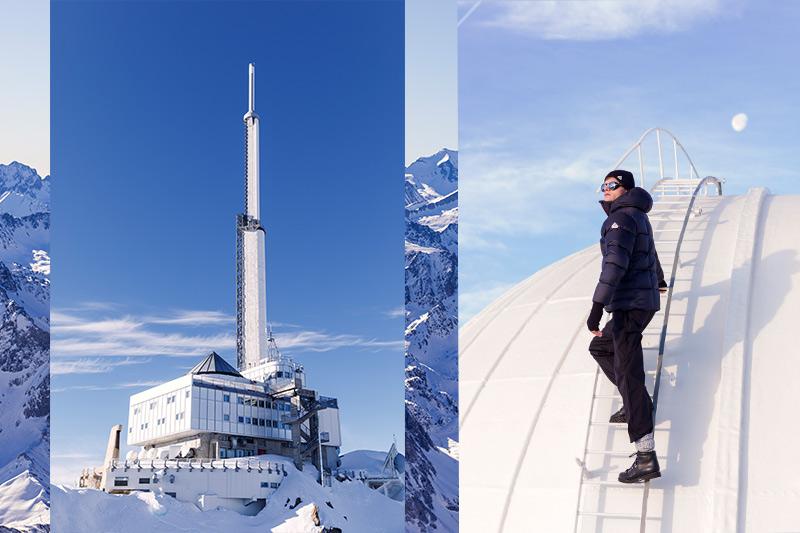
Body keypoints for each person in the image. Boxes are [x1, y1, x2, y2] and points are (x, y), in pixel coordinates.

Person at [586, 169, 662, 483]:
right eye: (603, 184)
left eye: (611, 185)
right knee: (602, 346)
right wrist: (657, 280)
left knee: (629, 374)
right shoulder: (637, 217)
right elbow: (649, 253)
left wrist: (596, 307)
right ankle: (636, 402)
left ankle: (645, 456)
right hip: (638, 302)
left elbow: (614, 264)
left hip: (629, 305)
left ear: (624, 189)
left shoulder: (619, 221)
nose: (605, 189)